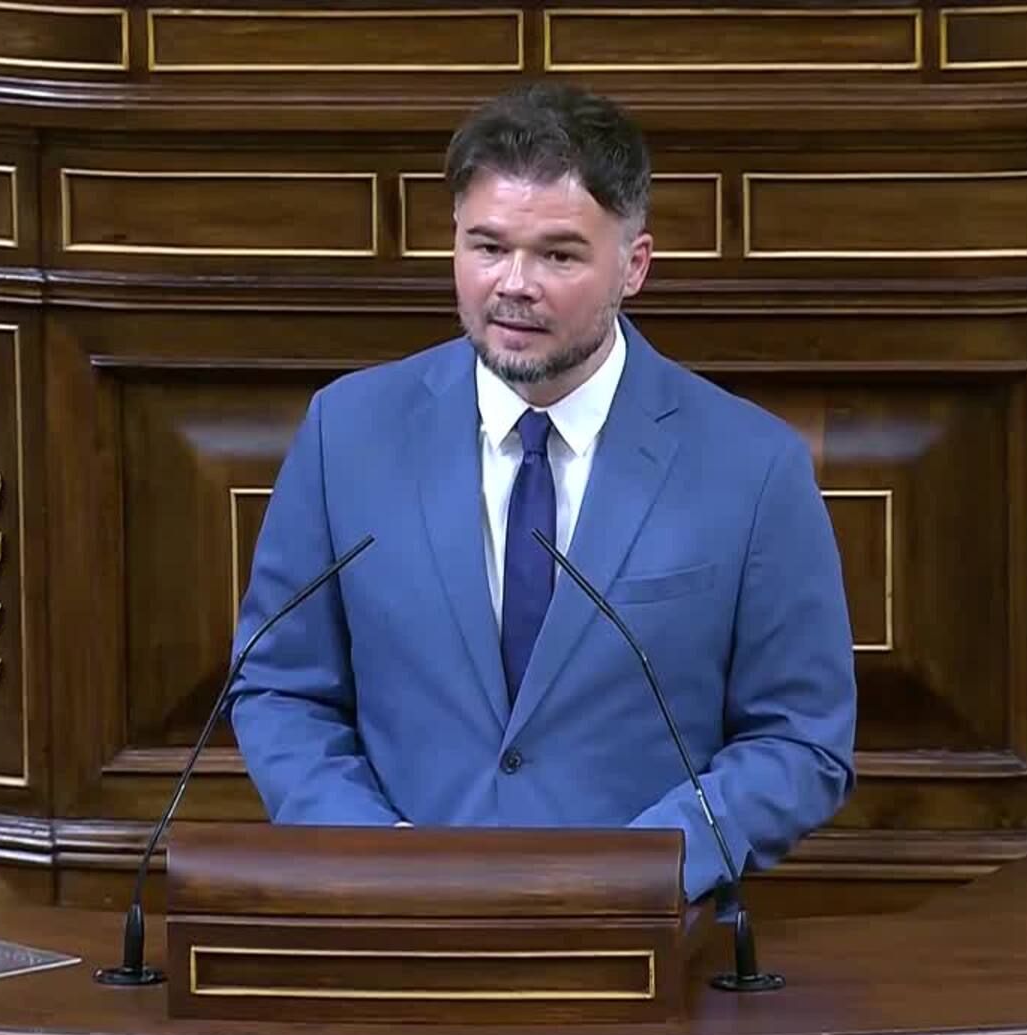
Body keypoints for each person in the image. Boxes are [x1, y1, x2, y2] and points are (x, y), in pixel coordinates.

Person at [228, 82, 856, 902]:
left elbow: (801, 740)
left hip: (640, 938)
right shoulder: (346, 433)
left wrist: (638, 869)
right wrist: (374, 854)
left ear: (634, 266)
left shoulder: (753, 465)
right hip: (395, 925)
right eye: (488, 246)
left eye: (559, 256)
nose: (514, 284)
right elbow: (279, 687)